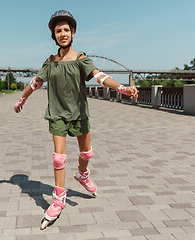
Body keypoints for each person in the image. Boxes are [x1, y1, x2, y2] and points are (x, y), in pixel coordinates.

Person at [14, 10, 138, 229]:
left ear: (72, 33)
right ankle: (58, 199)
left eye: (66, 30)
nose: (62, 34)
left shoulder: (82, 59)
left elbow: (100, 76)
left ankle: (82, 174)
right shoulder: (50, 62)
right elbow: (35, 83)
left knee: (86, 153)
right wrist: (21, 100)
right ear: (54, 35)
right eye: (58, 30)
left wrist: (121, 88)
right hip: (57, 114)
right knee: (58, 159)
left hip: (79, 114)